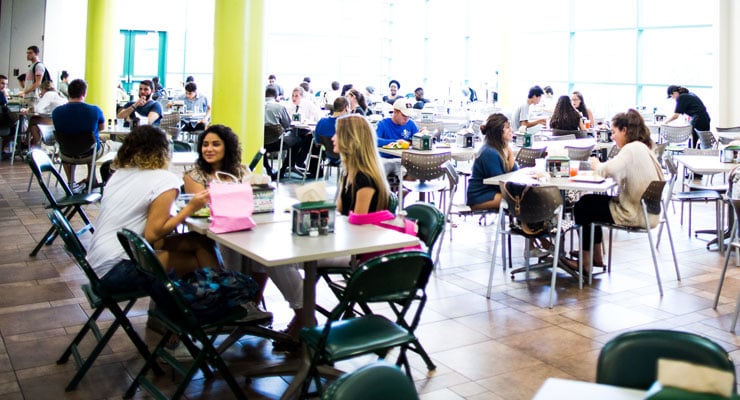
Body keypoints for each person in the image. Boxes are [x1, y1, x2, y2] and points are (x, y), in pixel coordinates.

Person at [182, 125, 305, 344]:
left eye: (215, 144)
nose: (209, 149)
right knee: (262, 253)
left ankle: (276, 310)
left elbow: (255, 201)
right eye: (205, 144)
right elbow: (204, 208)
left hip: (247, 231)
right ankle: (250, 305)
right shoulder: (194, 174)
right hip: (213, 237)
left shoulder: (241, 171)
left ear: (227, 147)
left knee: (270, 254)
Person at [85, 125, 218, 294]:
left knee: (202, 242)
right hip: (117, 270)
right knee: (199, 263)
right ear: (163, 151)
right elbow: (153, 235)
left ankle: (208, 303)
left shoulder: (119, 175)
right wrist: (190, 208)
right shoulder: (164, 179)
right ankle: (219, 301)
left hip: (96, 264)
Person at [563, 109, 664, 270]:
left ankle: (585, 263)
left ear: (624, 130)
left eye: (614, 132)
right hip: (648, 212)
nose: (612, 137)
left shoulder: (631, 149)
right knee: (589, 202)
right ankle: (595, 257)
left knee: (583, 206)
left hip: (634, 213)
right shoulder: (643, 147)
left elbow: (608, 170)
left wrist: (596, 164)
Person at [51, 79, 107, 192]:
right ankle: (92, 179)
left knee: (71, 144)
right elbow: (102, 127)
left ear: (69, 92)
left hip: (66, 153)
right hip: (89, 153)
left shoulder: (56, 112)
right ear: (84, 93)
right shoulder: (94, 110)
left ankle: (71, 182)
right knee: (95, 143)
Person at [333, 114, 391, 215]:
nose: (333, 138)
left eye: (337, 134)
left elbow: (358, 223)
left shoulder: (365, 180)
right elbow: (339, 211)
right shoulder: (348, 172)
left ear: (350, 140)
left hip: (359, 230)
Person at [466, 113, 518, 210]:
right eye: (507, 127)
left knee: (524, 198)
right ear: (498, 132)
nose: (511, 130)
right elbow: (500, 184)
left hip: (490, 192)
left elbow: (514, 172)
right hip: (481, 196)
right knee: (522, 200)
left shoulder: (497, 149)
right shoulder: (489, 152)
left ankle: (524, 224)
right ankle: (525, 225)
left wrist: (509, 153)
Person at [264, 86, 299, 180]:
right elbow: (287, 124)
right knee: (297, 141)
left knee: (262, 147)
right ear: (276, 96)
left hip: (260, 143)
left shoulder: (256, 105)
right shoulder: (279, 107)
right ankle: (283, 169)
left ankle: (268, 169)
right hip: (276, 142)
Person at [285, 86, 322, 171]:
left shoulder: (308, 104)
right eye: (293, 96)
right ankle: (292, 163)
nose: (294, 98)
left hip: (305, 129)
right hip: (293, 129)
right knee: (294, 139)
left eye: (296, 96)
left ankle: (298, 161)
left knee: (305, 139)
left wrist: (313, 124)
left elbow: (318, 115)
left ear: (302, 96)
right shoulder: (289, 105)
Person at [24, 81, 67, 147]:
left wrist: (32, 108)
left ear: (43, 89)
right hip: (63, 122)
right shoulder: (59, 94)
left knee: (33, 119)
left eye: (41, 90)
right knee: (34, 127)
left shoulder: (49, 94)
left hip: (54, 121)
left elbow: (38, 109)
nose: (40, 92)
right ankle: (36, 145)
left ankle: (27, 141)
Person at [314, 96, 350, 165]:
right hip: (344, 155)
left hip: (327, 153)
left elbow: (317, 142)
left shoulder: (321, 122)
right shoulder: (347, 125)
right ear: (346, 108)